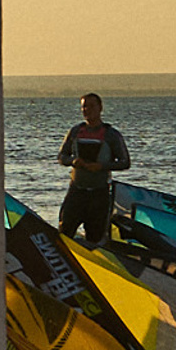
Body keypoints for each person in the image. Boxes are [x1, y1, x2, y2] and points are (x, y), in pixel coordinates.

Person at [56, 93, 131, 245]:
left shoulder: (111, 135)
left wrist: (102, 166)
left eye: (91, 106)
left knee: (95, 237)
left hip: (99, 193)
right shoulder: (75, 132)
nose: (87, 110)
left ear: (100, 108)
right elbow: (61, 156)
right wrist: (73, 161)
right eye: (84, 106)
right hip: (76, 191)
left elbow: (125, 162)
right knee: (64, 233)